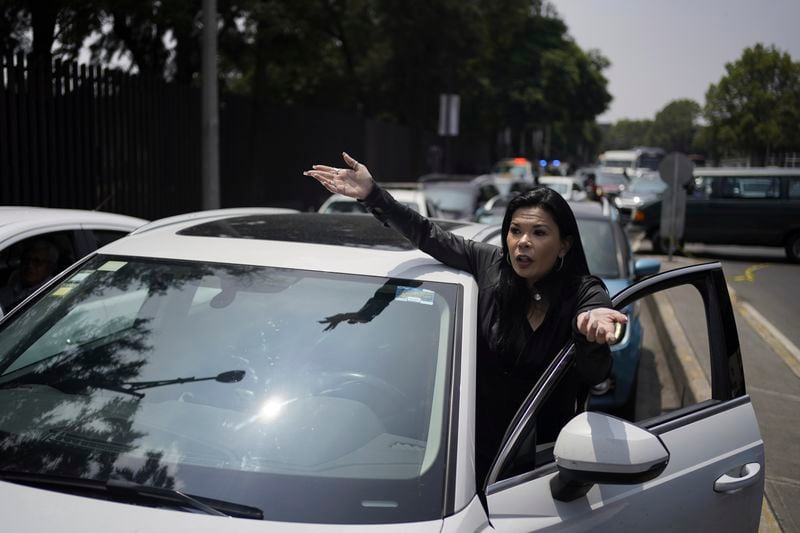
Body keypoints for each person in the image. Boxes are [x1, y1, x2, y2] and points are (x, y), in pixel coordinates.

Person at [305, 153, 627, 480]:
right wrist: (374, 195)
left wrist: (591, 332)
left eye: (539, 233)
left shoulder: (583, 292)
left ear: (563, 245)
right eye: (515, 231)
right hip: (470, 456)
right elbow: (427, 234)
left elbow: (595, 368)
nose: (523, 243)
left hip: (546, 462)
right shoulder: (489, 265)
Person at [0, 239, 60, 315]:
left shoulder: (52, 295)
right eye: (26, 259)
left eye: (37, 261)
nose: (29, 265)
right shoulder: (11, 287)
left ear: (51, 266)